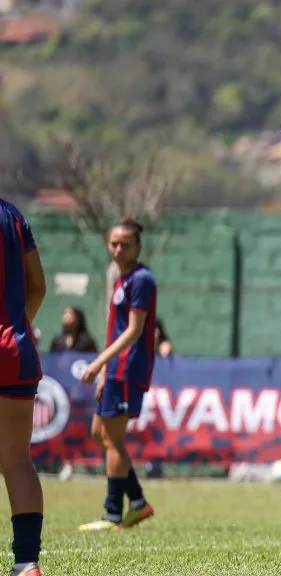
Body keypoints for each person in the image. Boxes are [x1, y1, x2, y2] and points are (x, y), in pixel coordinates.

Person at [77, 217, 157, 533]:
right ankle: (137, 502)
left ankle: (113, 514)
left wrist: (99, 363)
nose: (118, 249)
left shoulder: (142, 280)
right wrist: (103, 373)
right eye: (113, 243)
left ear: (137, 247)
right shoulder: (120, 280)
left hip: (128, 369)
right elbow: (117, 329)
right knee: (100, 433)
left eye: (125, 244)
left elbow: (135, 331)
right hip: (115, 369)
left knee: (112, 439)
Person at [0, 199, 47, 576]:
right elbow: (38, 286)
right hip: (17, 350)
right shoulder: (13, 216)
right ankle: (26, 563)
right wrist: (19, 326)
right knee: (17, 459)